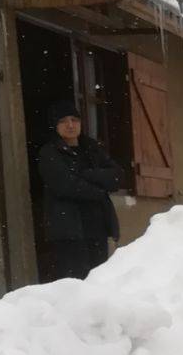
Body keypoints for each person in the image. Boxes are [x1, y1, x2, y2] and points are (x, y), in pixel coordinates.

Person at [37, 99, 122, 280]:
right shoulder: (49, 153)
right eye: (63, 121)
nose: (70, 125)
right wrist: (99, 190)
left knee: (99, 280)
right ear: (55, 125)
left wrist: (87, 175)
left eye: (74, 120)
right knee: (75, 283)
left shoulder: (91, 148)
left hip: (97, 229)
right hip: (69, 231)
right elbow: (65, 185)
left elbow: (117, 176)